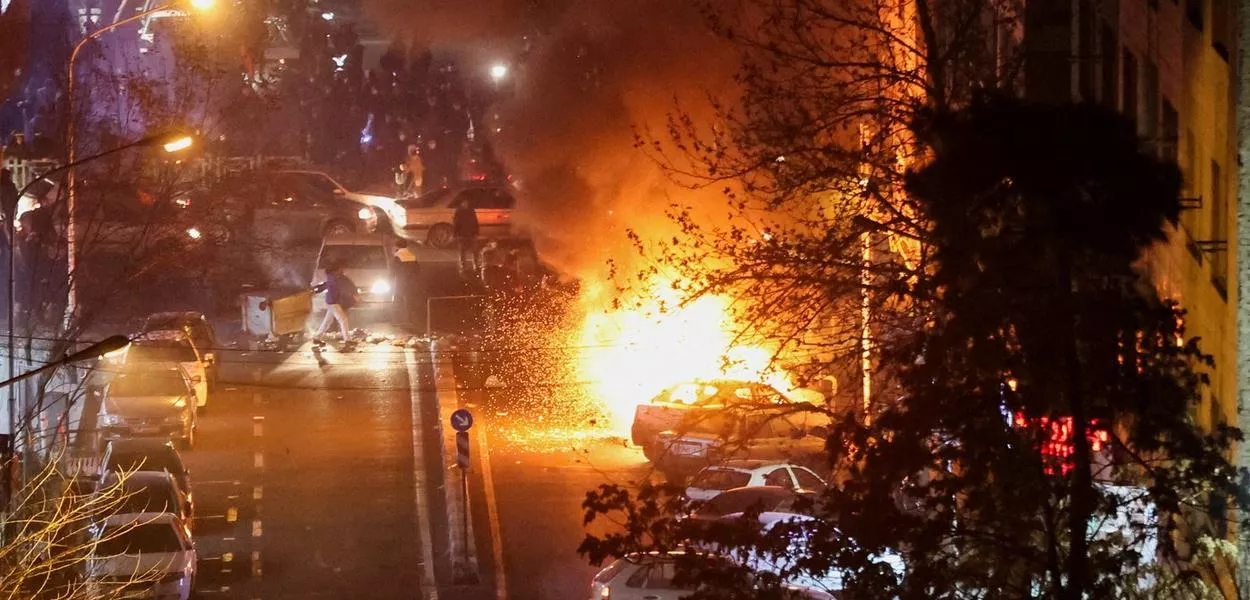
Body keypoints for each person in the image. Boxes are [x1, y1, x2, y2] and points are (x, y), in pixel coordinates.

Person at [313, 265, 357, 344]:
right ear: (335, 271)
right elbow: (347, 286)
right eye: (340, 269)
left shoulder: (332, 278)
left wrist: (315, 289)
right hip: (333, 302)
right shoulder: (336, 279)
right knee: (343, 320)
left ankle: (317, 337)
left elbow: (324, 286)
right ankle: (347, 340)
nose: (342, 270)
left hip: (332, 302)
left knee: (327, 321)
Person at [452, 199, 479, 277]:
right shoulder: (459, 211)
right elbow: (456, 223)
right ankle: (463, 266)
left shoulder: (471, 210)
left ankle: (475, 265)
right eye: (464, 202)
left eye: (466, 202)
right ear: (461, 203)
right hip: (462, 234)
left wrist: (476, 232)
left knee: (474, 250)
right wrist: (455, 234)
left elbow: (475, 221)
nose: (466, 203)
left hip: (471, 233)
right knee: (462, 251)